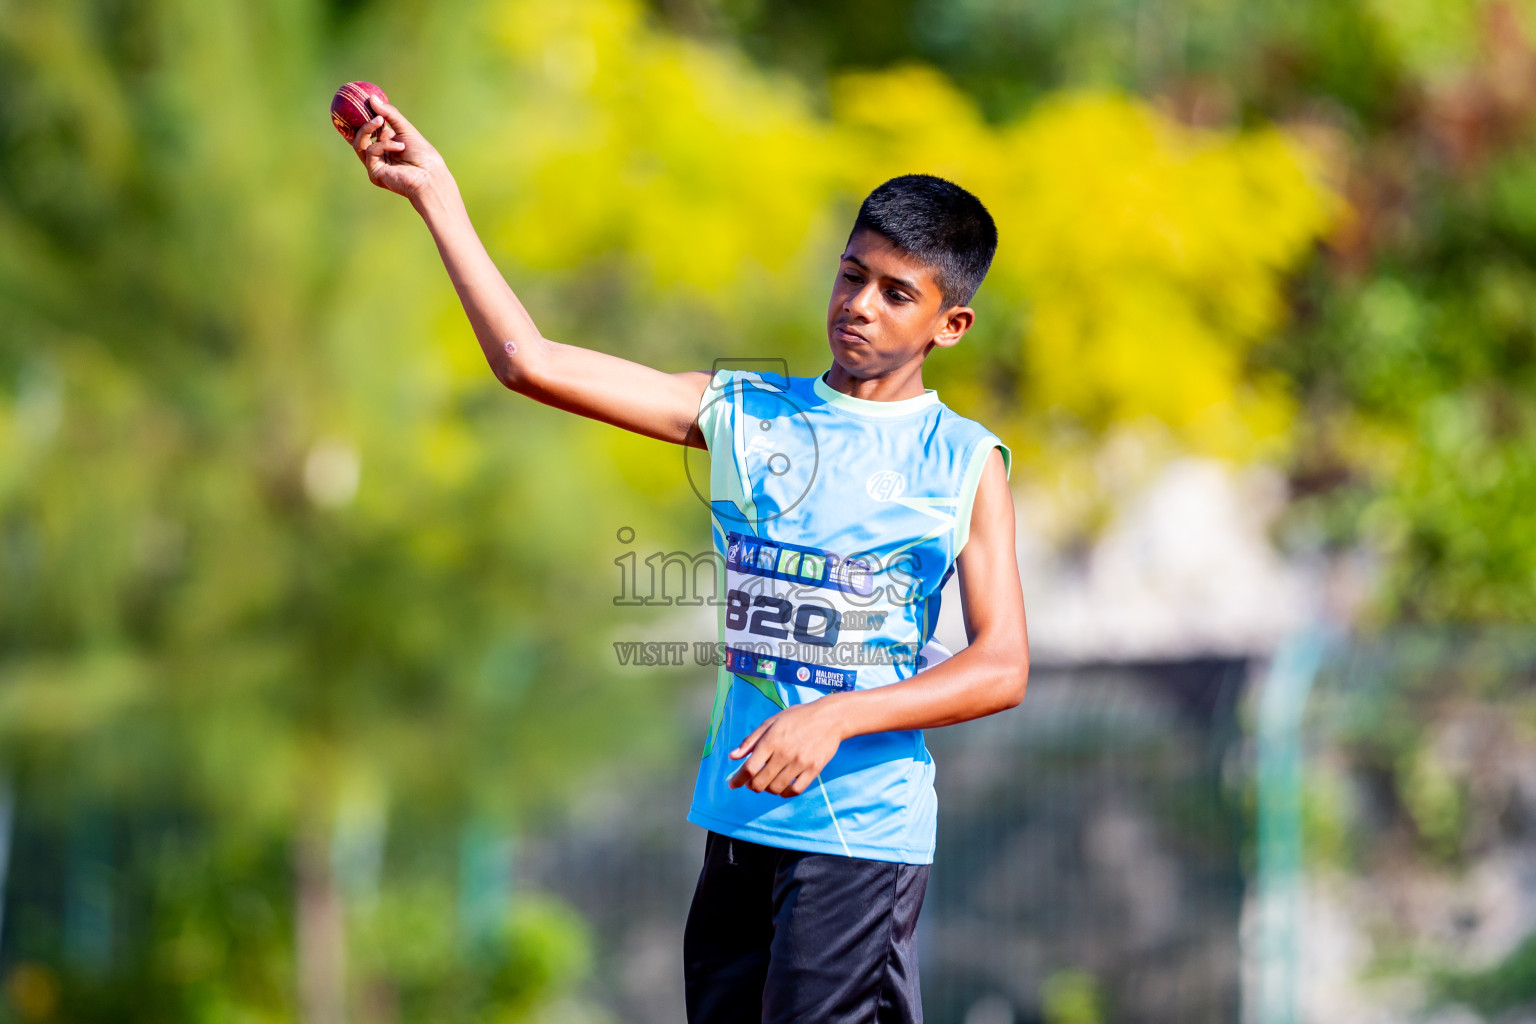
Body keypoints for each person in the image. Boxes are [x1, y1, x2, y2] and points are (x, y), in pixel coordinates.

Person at [350, 97, 1030, 1024]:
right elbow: (530, 362)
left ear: (950, 325)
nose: (859, 306)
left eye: (895, 293)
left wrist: (837, 719)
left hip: (862, 838)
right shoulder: (746, 412)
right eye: (851, 275)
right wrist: (437, 196)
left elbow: (1002, 666)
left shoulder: (962, 461)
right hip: (738, 829)